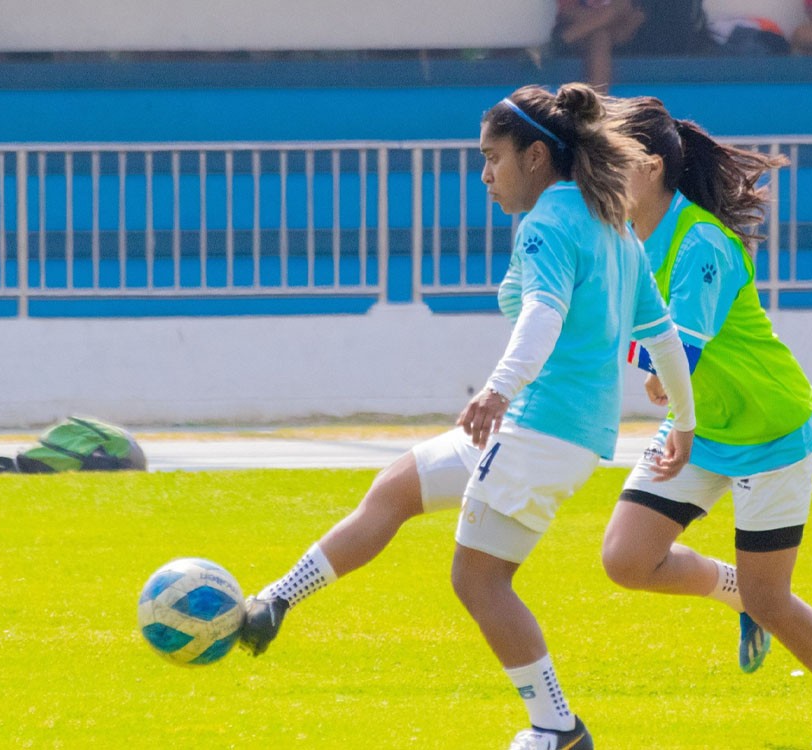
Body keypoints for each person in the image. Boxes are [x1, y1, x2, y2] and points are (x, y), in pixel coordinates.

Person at [238, 83, 697, 750]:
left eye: (492, 158)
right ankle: (274, 602)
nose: (484, 175)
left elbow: (544, 317)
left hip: (539, 431)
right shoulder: (612, 227)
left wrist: (497, 390)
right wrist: (682, 423)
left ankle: (557, 727)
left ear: (537, 157)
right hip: (555, 432)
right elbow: (662, 337)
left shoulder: (548, 223)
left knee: (477, 578)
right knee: (396, 486)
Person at [602, 96, 812, 748]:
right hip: (698, 424)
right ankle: (737, 593)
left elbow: (683, 349)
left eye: (606, 160)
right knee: (625, 559)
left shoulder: (701, 240)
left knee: (774, 600)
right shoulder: (620, 242)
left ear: (649, 168)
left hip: (768, 431)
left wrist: (654, 375)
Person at [553, 1, 646, 91]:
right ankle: (599, 98)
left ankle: (563, 39)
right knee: (601, 36)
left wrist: (602, 17)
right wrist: (601, 17)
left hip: (620, 29)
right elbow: (566, 11)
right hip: (582, 30)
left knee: (618, 7)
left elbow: (635, 16)